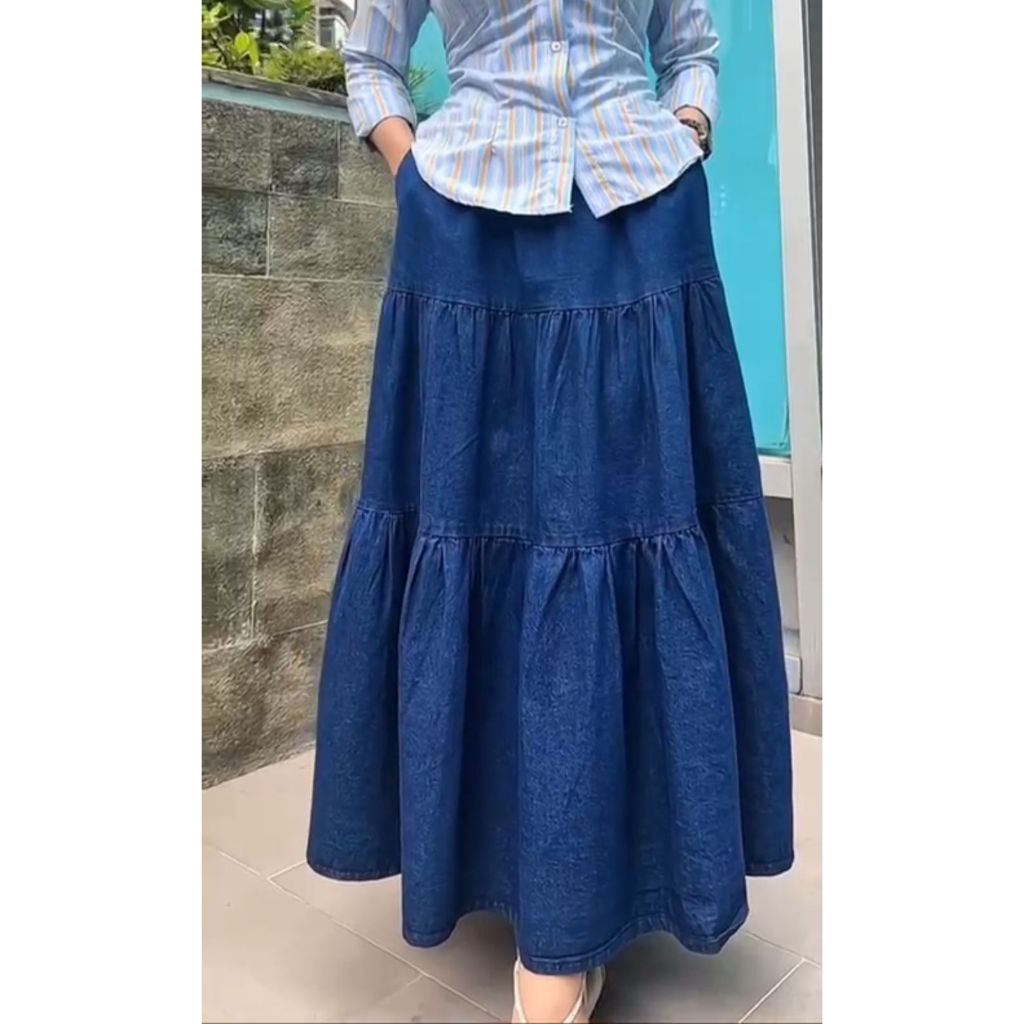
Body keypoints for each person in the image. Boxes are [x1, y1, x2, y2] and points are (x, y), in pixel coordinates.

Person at [307, 2, 794, 1020]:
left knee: (627, 529)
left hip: (641, 219)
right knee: (480, 533)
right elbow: (371, 58)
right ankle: (533, 891)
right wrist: (412, 173)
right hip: (464, 226)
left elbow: (690, 49)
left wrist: (687, 134)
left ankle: (581, 905)